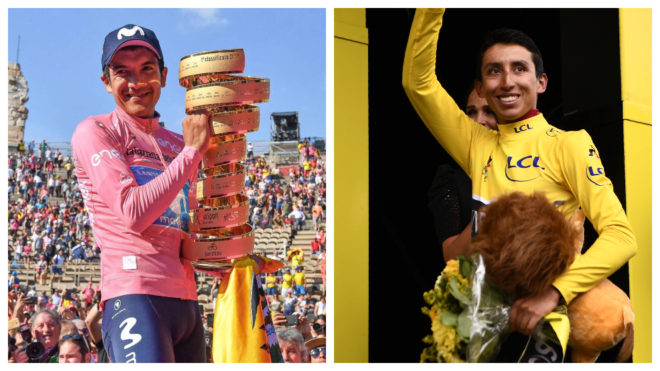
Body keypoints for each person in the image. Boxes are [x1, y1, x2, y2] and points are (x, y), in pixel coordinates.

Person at [403, 8, 637, 361]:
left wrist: (554, 294)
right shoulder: (476, 143)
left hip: (548, 325)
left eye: (519, 68)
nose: (507, 81)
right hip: (485, 327)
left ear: (541, 82)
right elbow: (417, 84)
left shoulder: (568, 144)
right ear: (481, 88)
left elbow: (622, 236)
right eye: (494, 71)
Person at [71, 23, 209, 362]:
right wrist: (192, 154)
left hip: (188, 302)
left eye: (147, 70)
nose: (136, 83)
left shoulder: (178, 142)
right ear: (107, 82)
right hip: (134, 296)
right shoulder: (96, 131)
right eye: (123, 73)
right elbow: (133, 213)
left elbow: (189, 233)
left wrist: (233, 256)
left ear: (163, 75)